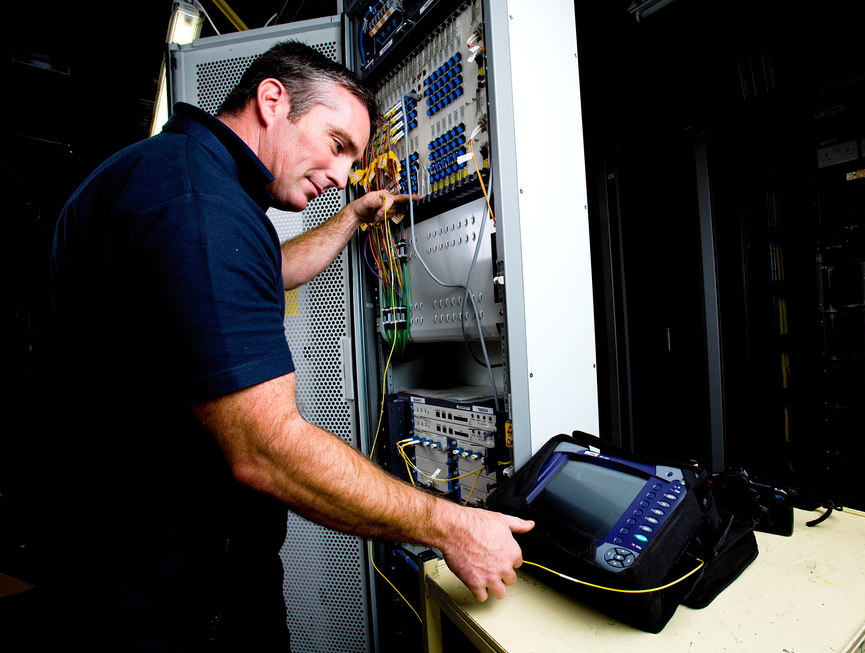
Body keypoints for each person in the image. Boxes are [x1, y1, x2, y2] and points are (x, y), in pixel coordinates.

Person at [48, 40, 532, 651]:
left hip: (140, 572)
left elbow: (260, 273)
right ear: (272, 99)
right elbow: (265, 449)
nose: (340, 175)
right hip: (177, 605)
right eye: (338, 146)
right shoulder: (200, 207)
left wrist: (354, 215)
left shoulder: (175, 176)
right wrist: (452, 526)